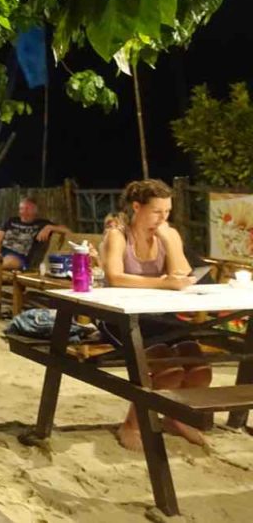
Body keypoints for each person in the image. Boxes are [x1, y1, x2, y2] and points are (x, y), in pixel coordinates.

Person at [99, 179, 208, 451]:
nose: (163, 218)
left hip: (158, 315)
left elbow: (183, 276)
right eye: (157, 212)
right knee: (169, 371)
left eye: (167, 212)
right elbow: (114, 277)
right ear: (137, 207)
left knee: (200, 370)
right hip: (121, 316)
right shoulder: (119, 235)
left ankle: (176, 417)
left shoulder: (167, 234)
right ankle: (132, 425)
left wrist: (170, 241)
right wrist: (161, 282)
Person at [0, 197, 69, 280]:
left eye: (27, 209)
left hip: (19, 256)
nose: (24, 212)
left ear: (35, 212)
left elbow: (68, 231)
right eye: (21, 209)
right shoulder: (11, 221)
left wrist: (50, 227)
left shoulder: (41, 224)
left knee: (9, 261)